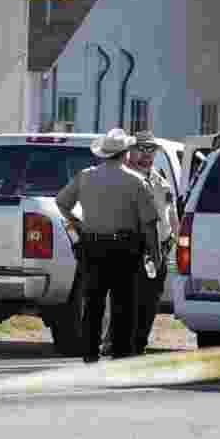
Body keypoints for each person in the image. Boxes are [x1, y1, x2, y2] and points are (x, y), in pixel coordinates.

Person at [56, 128, 160, 362]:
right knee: (124, 303)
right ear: (125, 154)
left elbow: (61, 202)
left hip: (93, 246)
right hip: (125, 249)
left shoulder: (85, 176)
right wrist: (155, 253)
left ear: (103, 154)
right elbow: (149, 224)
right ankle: (121, 353)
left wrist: (77, 223)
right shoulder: (136, 181)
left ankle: (90, 351)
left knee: (93, 302)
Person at [126, 131, 178, 354]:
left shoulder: (160, 181)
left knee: (150, 300)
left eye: (151, 149)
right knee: (128, 299)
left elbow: (172, 214)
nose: (146, 154)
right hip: (131, 248)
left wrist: (175, 239)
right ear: (130, 150)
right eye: (141, 148)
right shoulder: (123, 178)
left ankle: (139, 343)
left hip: (159, 250)